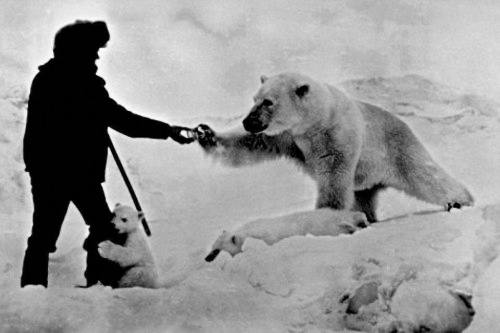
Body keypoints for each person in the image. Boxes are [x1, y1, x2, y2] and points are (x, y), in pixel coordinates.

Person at [21, 20, 194, 288]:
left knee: (51, 235)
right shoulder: (83, 83)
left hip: (55, 172)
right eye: (93, 51)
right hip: (70, 173)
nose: (98, 56)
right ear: (78, 51)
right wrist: (168, 131)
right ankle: (93, 285)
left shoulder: (48, 78)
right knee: (97, 230)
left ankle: (37, 292)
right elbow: (123, 121)